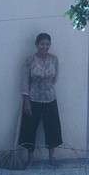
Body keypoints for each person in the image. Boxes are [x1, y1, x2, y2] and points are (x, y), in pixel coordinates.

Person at [19, 32, 63, 168]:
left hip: (50, 98)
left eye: (47, 44)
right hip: (33, 99)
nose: (45, 46)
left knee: (52, 128)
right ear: (37, 45)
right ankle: (30, 159)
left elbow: (55, 78)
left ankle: (51, 158)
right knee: (29, 128)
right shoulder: (30, 60)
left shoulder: (54, 59)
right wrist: (26, 100)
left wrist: (47, 87)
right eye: (42, 44)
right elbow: (25, 81)